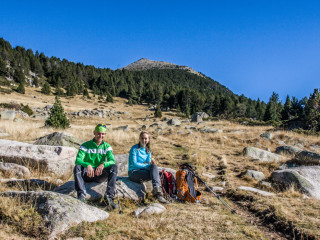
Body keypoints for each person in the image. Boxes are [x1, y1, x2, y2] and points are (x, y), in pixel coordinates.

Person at [74, 124, 118, 210]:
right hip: (87, 174)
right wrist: (87, 165)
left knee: (114, 167)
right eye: (98, 133)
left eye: (102, 134)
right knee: (77, 167)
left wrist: (103, 164)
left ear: (105, 135)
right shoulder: (85, 146)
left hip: (100, 174)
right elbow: (78, 160)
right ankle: (81, 196)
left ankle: (109, 197)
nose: (100, 136)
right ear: (94, 133)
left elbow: (112, 160)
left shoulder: (107, 146)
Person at [128, 131, 168, 203]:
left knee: (155, 169)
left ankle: (158, 193)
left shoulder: (148, 150)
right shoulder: (134, 149)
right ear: (139, 139)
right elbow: (134, 164)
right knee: (154, 172)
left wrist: (151, 163)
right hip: (133, 173)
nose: (144, 140)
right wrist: (148, 165)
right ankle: (158, 193)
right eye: (142, 138)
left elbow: (148, 163)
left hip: (143, 172)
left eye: (146, 138)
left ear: (148, 139)